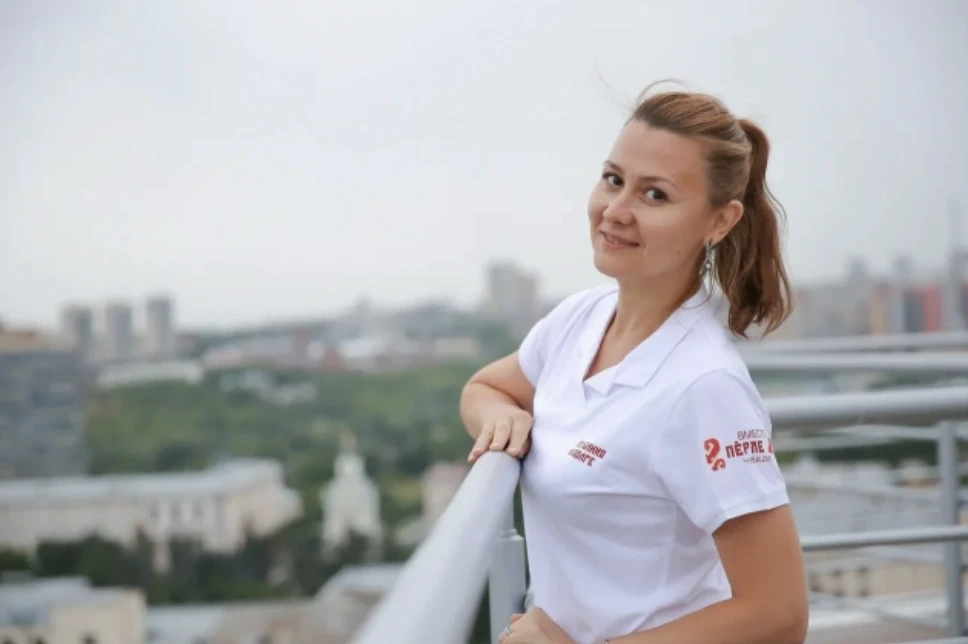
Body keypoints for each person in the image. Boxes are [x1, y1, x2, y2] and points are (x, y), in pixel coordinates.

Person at [460, 83, 809, 644]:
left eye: (655, 195)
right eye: (613, 179)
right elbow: (483, 388)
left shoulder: (705, 387)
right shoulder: (581, 319)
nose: (616, 211)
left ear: (719, 222)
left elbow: (779, 613)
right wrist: (503, 419)